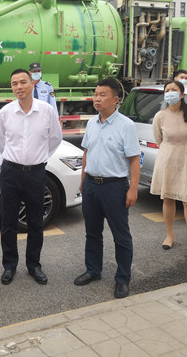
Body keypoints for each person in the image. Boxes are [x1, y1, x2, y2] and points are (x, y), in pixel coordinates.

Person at [0, 69, 62, 286]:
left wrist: (38, 158)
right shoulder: (6, 112)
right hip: (11, 172)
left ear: (33, 84)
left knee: (35, 221)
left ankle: (34, 265)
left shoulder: (46, 111)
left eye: (23, 82)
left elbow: (55, 138)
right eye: (14, 83)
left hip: (36, 173)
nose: (19, 87)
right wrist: (15, 159)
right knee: (8, 221)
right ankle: (9, 265)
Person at [73, 78, 140, 299]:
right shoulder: (92, 123)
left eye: (103, 95)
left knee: (121, 236)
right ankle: (93, 270)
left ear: (115, 100)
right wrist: (83, 180)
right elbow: (86, 152)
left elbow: (134, 159)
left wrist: (133, 189)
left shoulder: (126, 126)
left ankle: (123, 279)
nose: (97, 98)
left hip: (115, 187)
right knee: (92, 232)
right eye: (96, 94)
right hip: (91, 185)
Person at [150, 80, 187, 261]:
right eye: (167, 90)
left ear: (181, 94)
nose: (170, 93)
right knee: (168, 199)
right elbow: (159, 140)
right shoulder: (160, 116)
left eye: (173, 90)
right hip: (167, 160)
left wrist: (182, 150)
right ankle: (169, 235)